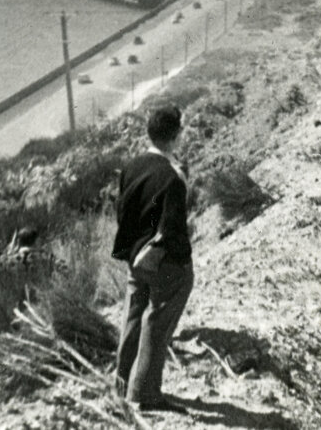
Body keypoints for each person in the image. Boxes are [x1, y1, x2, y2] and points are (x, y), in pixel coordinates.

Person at [112, 105, 193, 413]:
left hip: (135, 259)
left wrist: (136, 252)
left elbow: (123, 214)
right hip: (163, 264)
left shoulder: (132, 166)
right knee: (157, 324)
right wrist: (184, 265)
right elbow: (173, 230)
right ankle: (144, 394)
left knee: (132, 319)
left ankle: (121, 383)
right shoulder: (173, 175)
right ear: (175, 137)